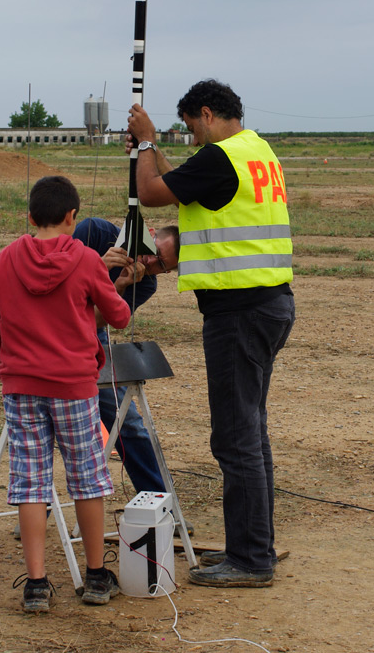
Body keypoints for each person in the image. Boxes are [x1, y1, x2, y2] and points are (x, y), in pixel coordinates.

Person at [127, 79, 295, 589]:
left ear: (206, 113)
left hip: (239, 313)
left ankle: (250, 560)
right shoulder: (257, 151)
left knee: (236, 436)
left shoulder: (222, 155)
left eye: (192, 127)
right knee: (250, 432)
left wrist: (148, 143)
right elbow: (196, 197)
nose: (193, 137)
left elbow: (153, 192)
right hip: (268, 302)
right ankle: (253, 546)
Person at [0, 176, 131, 612]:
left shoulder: (6, 259)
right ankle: (97, 577)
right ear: (72, 217)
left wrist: (18, 358)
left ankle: (36, 584)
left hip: (21, 387)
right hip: (74, 388)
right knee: (87, 478)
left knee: (30, 483)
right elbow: (117, 317)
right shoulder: (86, 260)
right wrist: (113, 282)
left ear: (30, 217)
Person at [73, 217, 181, 496]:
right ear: (151, 232)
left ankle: (159, 500)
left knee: (127, 421)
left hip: (88, 339)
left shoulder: (144, 285)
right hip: (49, 332)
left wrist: (119, 286)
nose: (149, 262)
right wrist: (97, 265)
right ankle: (37, 507)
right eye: (153, 251)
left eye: (161, 264)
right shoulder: (95, 232)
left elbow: (98, 321)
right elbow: (57, 277)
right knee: (53, 423)